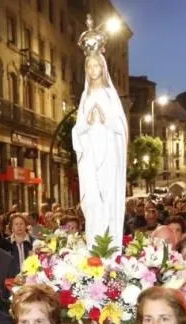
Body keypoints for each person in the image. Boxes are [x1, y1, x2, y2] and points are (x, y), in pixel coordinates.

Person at [72, 45, 128, 252]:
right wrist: (86, 123)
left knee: (108, 199)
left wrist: (107, 120)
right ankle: (95, 244)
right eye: (90, 66)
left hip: (109, 155)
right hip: (89, 156)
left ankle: (110, 246)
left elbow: (121, 127)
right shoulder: (84, 97)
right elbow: (77, 129)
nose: (93, 69)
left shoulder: (109, 94)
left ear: (103, 68)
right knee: (93, 201)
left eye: (97, 65)